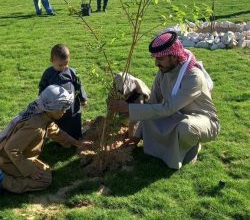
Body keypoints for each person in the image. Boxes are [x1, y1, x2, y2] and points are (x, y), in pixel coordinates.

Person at [109, 31, 220, 169]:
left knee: (186, 128)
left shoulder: (193, 77)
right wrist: (136, 137)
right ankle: (170, 149)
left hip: (203, 120)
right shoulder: (164, 71)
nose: (156, 63)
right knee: (148, 112)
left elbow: (168, 108)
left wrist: (127, 108)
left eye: (160, 59)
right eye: (155, 59)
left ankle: (190, 150)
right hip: (176, 115)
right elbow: (152, 104)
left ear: (173, 56)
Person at [0, 85, 87, 194]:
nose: (64, 111)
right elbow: (11, 149)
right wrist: (30, 171)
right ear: (51, 108)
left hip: (17, 154)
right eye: (62, 108)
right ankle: (3, 180)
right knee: (44, 180)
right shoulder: (34, 127)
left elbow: (55, 132)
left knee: (45, 170)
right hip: (6, 158)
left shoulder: (42, 114)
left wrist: (76, 142)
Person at [39, 44, 87, 140]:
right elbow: (42, 87)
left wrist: (83, 99)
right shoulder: (48, 74)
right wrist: (42, 102)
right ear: (52, 61)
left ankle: (77, 136)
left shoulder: (71, 72)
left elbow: (78, 86)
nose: (64, 67)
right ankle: (60, 140)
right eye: (60, 65)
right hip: (57, 107)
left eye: (66, 64)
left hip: (73, 106)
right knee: (60, 123)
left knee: (74, 121)